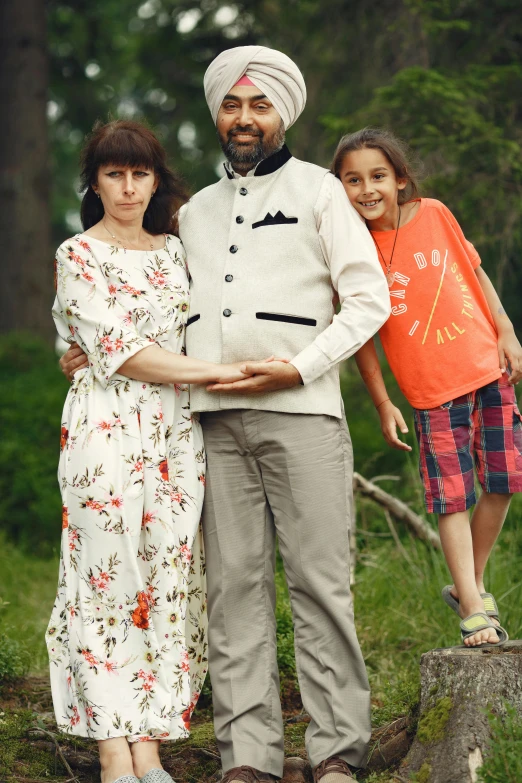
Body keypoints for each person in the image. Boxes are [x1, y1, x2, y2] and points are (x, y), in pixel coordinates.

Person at [61, 47, 391, 783]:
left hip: (304, 414)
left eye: (259, 105)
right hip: (207, 424)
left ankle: (337, 751)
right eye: (233, 106)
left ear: (283, 113)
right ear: (218, 114)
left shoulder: (319, 192)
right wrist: (85, 347)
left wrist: (303, 364)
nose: (245, 118)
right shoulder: (192, 214)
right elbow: (154, 308)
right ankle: (248, 759)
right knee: (232, 590)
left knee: (319, 584)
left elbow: (370, 299)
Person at [47, 119, 259, 783]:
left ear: (157, 180)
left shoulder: (175, 252)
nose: (128, 186)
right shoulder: (75, 254)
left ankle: (150, 743)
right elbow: (124, 352)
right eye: (114, 173)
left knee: (168, 578)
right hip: (104, 429)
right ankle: (112, 747)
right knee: (105, 578)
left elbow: (209, 321)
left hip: (174, 432)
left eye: (140, 173)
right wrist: (224, 375)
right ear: (96, 181)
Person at [333, 126, 522, 650]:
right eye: (353, 180)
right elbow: (361, 337)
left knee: (504, 481)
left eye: (377, 176)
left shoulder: (435, 213)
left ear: (400, 179)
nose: (367, 189)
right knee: (452, 498)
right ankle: (472, 610)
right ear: (339, 188)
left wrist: (507, 333)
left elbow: (475, 273)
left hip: (488, 369)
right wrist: (382, 401)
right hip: (431, 390)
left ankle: (471, 586)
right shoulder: (354, 251)